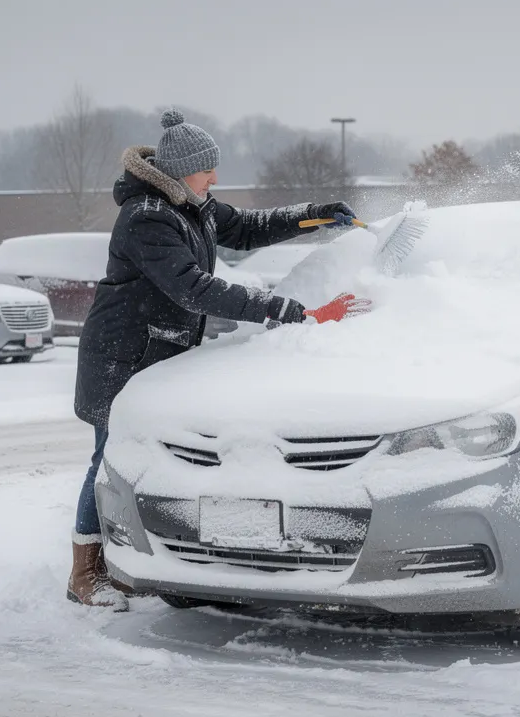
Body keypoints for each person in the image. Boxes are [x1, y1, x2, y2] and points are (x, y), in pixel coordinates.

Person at [67, 109, 371, 609]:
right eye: (208, 169)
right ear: (182, 170)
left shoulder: (193, 206)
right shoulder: (148, 218)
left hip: (159, 354)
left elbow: (248, 228)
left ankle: (139, 560)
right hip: (119, 358)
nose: (215, 178)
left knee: (153, 464)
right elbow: (194, 289)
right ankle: (86, 572)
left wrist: (314, 214)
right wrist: (294, 312)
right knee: (108, 461)